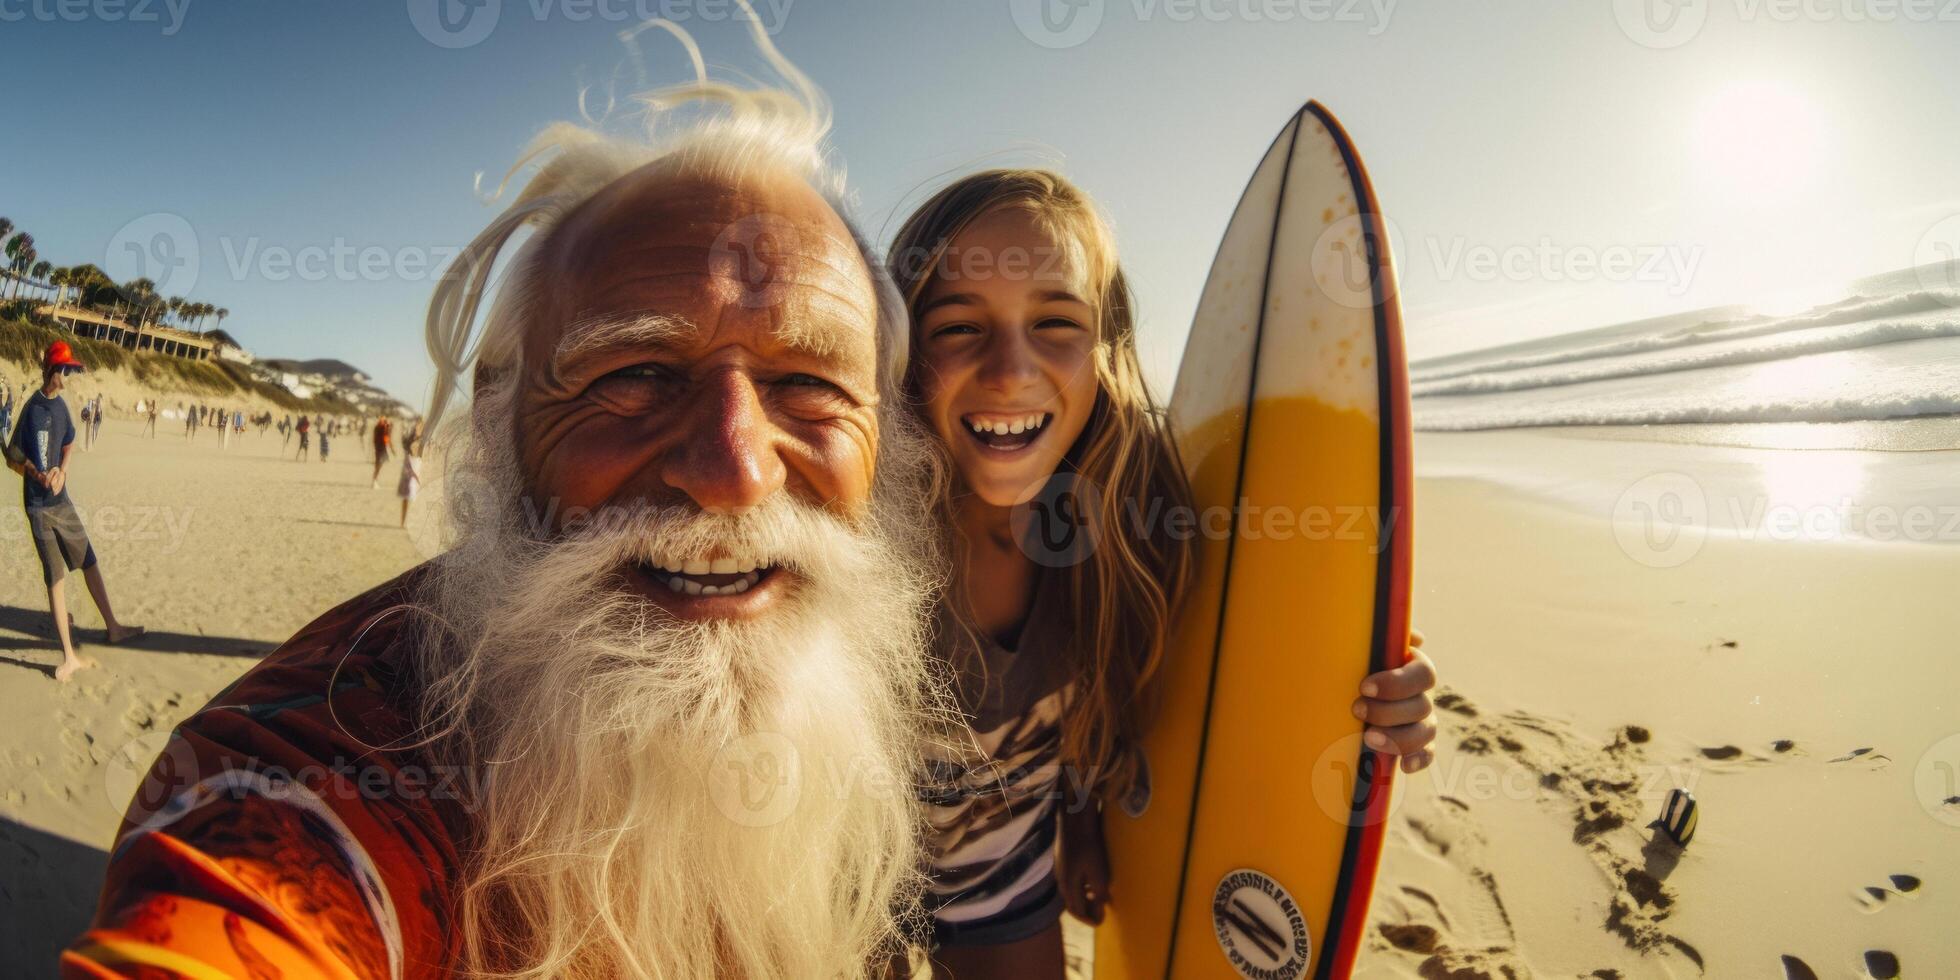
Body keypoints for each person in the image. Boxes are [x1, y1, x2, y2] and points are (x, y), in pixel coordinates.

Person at [69, 39, 951, 979]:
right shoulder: (328, 775)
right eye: (637, 374)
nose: (736, 469)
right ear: (501, 422)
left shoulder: (925, 699)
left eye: (811, 385)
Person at [885, 171, 1440, 977]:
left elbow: (1241, 653)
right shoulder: (857, 538)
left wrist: (1383, 688)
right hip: (840, 874)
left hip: (998, 868)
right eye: (958, 327)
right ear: (900, 351)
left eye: (1055, 322)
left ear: (1104, 346)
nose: (1011, 369)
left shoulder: (1135, 521)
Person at [4, 342, 144, 683]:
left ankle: (113, 627)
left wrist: (63, 471)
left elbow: (69, 441)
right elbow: (12, 458)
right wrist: (37, 474)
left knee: (89, 561)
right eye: (65, 369)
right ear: (53, 371)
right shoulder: (32, 410)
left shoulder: (62, 408)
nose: (69, 375)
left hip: (61, 501)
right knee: (56, 578)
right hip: (38, 507)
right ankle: (69, 658)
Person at [397, 418, 422, 527]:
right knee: (407, 496)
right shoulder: (410, 439)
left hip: (418, 465)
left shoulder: (424, 439)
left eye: (421, 426)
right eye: (418, 425)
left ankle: (412, 523)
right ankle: (403, 522)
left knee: (416, 497)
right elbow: (406, 448)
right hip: (410, 464)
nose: (419, 428)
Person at [371, 415, 393, 489]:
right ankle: (374, 481)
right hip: (381, 448)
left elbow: (375, 438)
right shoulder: (381, 428)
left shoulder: (378, 427)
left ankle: (375, 480)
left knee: (378, 465)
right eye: (384, 420)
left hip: (379, 448)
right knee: (378, 466)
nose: (384, 422)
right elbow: (387, 437)